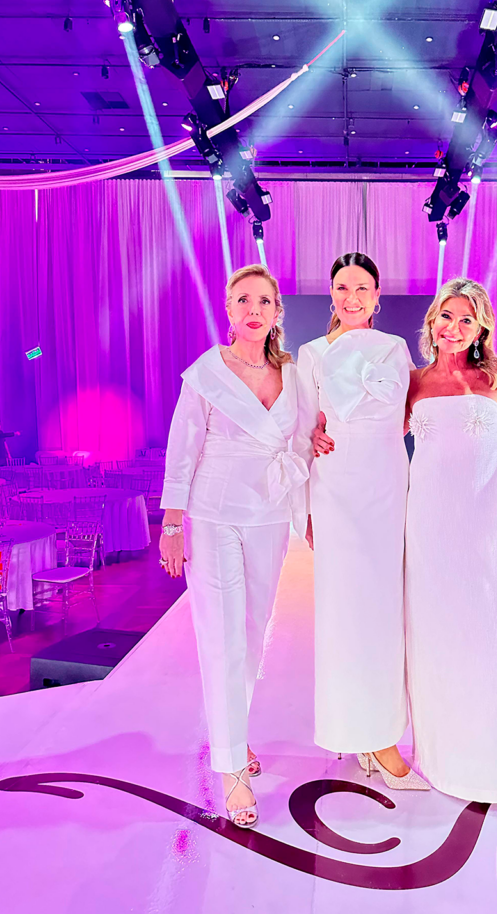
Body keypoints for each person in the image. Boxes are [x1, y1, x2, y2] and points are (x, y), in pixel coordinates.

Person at [159, 264, 308, 829]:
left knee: (251, 635)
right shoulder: (207, 372)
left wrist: (315, 442)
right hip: (212, 513)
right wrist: (173, 523)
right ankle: (230, 769)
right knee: (222, 637)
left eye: (264, 301)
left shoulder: (293, 374)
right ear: (229, 309)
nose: (254, 309)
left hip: (269, 514)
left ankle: (233, 733)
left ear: (276, 312)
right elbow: (183, 446)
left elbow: (301, 438)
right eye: (243, 299)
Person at [295, 253, 428, 791]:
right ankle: (358, 730)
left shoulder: (395, 348)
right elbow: (300, 427)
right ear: (331, 295)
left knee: (384, 609)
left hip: (386, 485)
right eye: (342, 288)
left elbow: (406, 420)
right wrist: (305, 500)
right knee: (342, 612)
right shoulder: (310, 354)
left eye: (362, 288)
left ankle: (381, 734)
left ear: (377, 296)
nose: (351, 297)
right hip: (336, 488)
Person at [404, 277, 497, 803]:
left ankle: (488, 761)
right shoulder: (413, 382)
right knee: (434, 632)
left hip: (482, 522)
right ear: (432, 321)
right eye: (446, 316)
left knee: (484, 629)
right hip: (427, 524)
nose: (453, 328)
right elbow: (377, 440)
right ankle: (441, 759)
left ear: (481, 328)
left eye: (465, 320)